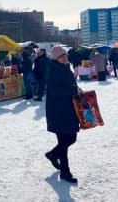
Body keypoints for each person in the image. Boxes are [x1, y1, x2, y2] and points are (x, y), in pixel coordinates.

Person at [44, 46, 79, 184]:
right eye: (62, 56)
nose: (65, 58)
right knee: (64, 142)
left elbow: (71, 85)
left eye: (66, 55)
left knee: (71, 138)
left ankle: (53, 154)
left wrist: (77, 90)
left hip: (69, 109)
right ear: (56, 59)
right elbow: (54, 92)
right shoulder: (52, 71)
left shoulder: (66, 68)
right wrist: (70, 91)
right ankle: (65, 172)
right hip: (57, 111)